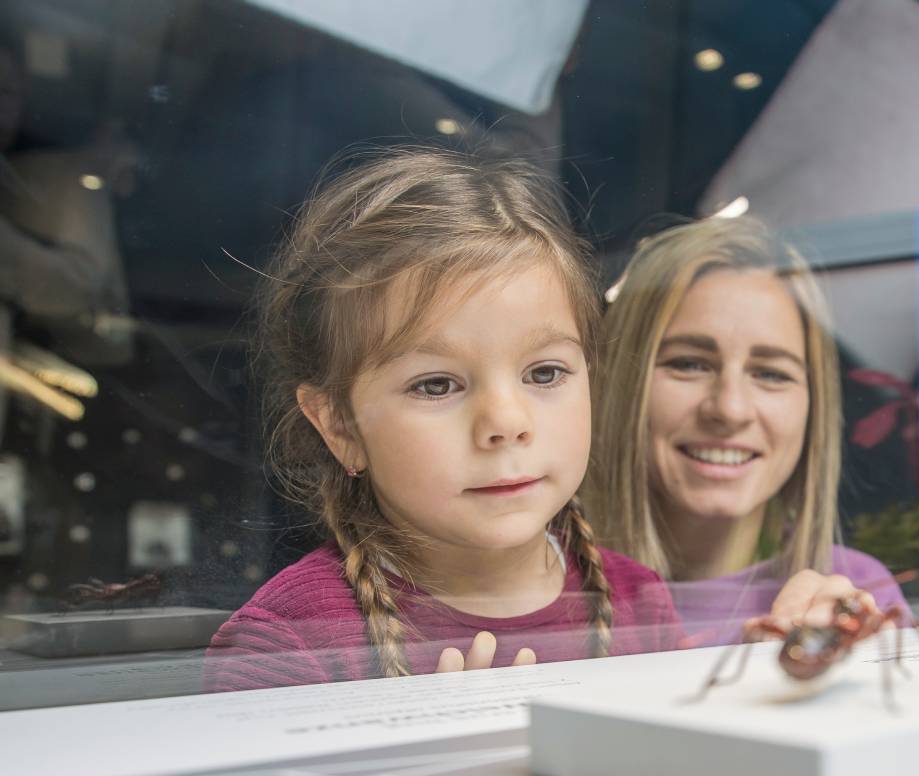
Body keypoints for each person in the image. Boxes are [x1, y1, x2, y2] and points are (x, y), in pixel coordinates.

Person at [204, 146, 681, 692]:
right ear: (339, 426)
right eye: (436, 385)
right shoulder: (286, 648)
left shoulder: (643, 603)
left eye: (545, 373)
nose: (506, 421)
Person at [589, 215, 909, 647]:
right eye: (689, 364)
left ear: (812, 408)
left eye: (771, 374)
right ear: (620, 386)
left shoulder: (855, 594)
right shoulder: (546, 597)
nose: (730, 408)